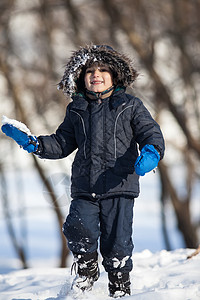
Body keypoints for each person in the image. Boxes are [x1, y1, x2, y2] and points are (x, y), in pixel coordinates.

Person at [1, 44, 165, 298]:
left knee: (117, 243)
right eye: (90, 70)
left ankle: (119, 286)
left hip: (119, 186)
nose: (95, 74)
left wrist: (152, 151)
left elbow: (149, 132)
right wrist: (34, 143)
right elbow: (62, 143)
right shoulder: (76, 109)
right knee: (79, 227)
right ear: (81, 77)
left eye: (102, 70)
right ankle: (86, 271)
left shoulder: (130, 105)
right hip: (85, 186)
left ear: (115, 75)